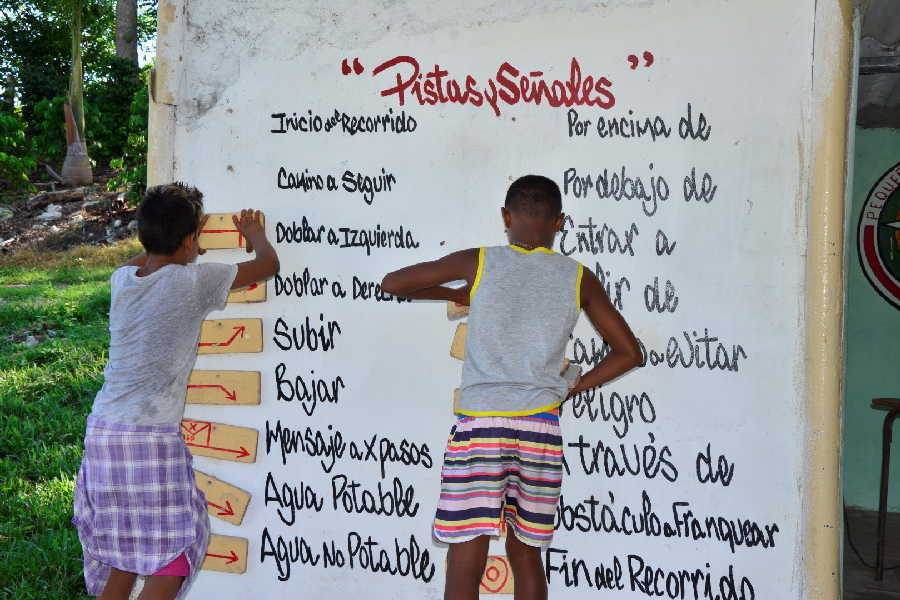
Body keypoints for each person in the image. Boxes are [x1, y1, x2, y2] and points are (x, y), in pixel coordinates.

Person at [381, 174, 642, 600]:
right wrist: (568, 390)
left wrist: (463, 291)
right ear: (560, 221)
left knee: (468, 548)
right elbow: (629, 353)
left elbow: (392, 282)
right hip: (540, 428)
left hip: (481, 426)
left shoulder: (480, 262)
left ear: (506, 217)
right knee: (526, 553)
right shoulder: (578, 276)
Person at [71, 183, 279, 600]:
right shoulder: (195, 281)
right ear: (189, 241)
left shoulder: (122, 280)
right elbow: (267, 265)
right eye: (196, 240)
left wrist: (174, 244)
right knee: (172, 555)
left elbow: (144, 259)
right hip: (150, 438)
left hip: (104, 434)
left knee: (121, 552)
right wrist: (255, 234)